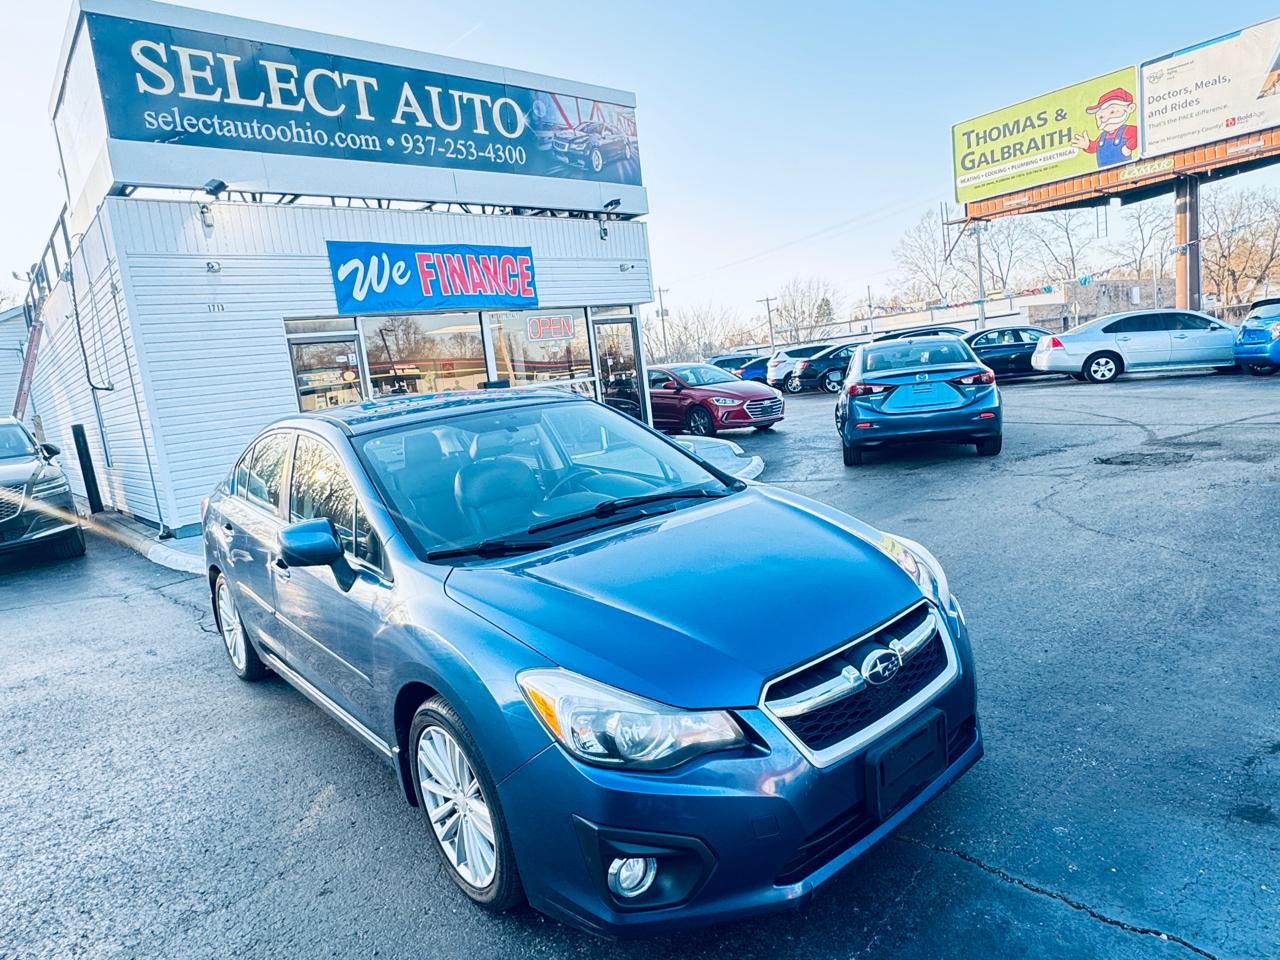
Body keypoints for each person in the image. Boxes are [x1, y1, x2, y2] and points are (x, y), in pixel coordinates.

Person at [1071, 87, 1138, 169]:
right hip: (1105, 173)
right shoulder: (1102, 136)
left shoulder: (1127, 130)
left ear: (1130, 108)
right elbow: (1094, 147)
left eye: (1112, 112)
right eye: (1101, 116)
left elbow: (1137, 134)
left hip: (1124, 170)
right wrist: (1087, 145)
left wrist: (1128, 147)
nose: (1105, 119)